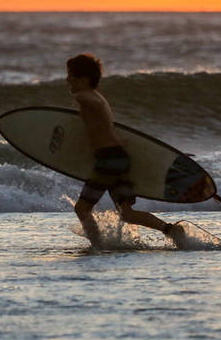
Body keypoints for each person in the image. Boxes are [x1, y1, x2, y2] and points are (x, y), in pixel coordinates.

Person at [66, 53, 181, 246]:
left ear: (84, 79)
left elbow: (88, 103)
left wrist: (78, 98)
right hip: (118, 158)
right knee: (127, 213)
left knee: (82, 209)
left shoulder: (86, 97)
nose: (67, 79)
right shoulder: (98, 97)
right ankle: (171, 230)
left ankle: (97, 246)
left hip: (108, 160)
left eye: (71, 76)